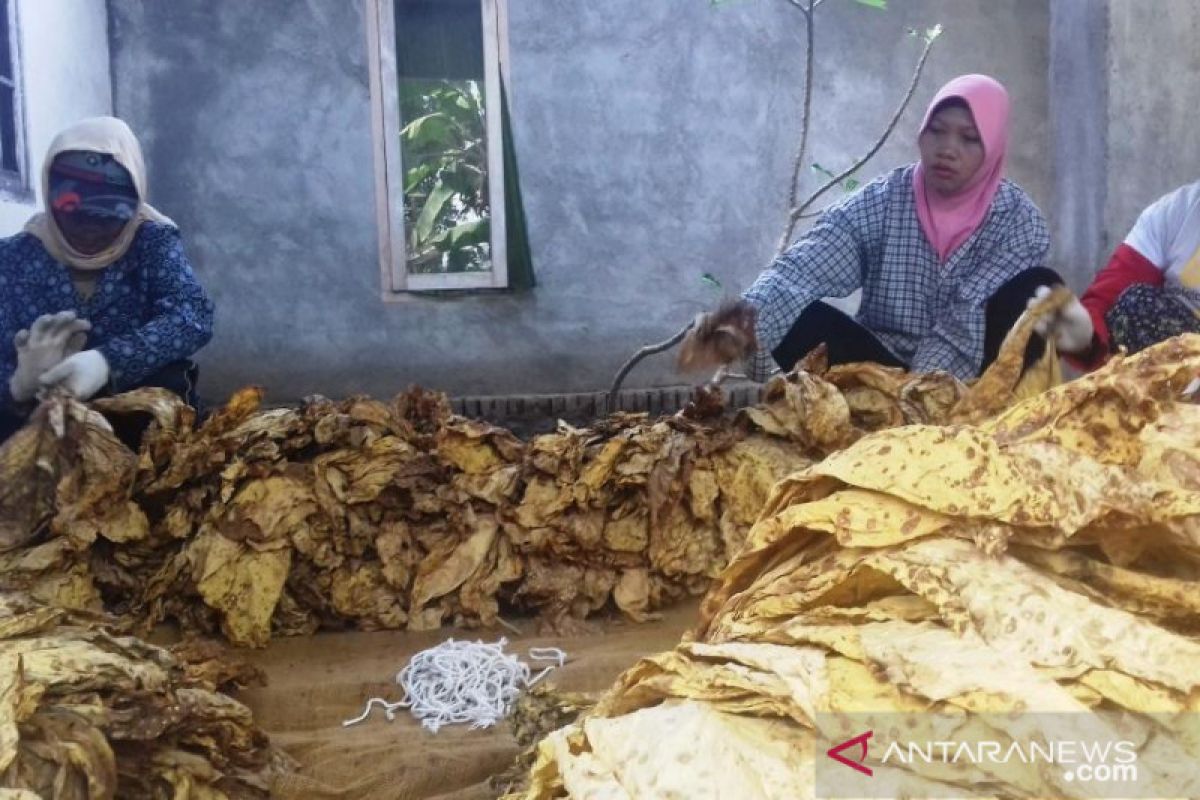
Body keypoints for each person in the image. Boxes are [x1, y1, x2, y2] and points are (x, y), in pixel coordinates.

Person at [680, 74, 1093, 382]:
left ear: (993, 148)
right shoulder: (882, 201)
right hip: (880, 368)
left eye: (969, 138)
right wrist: (743, 323)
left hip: (975, 377)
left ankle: (963, 427)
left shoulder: (1017, 220)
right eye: (937, 130)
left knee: (1037, 288)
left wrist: (922, 399)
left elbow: (965, 318)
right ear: (922, 132)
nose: (947, 148)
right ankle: (878, 417)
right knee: (792, 310)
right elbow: (804, 267)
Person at [0, 116, 214, 442]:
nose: (89, 232)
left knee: (169, 380)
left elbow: (192, 315)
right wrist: (17, 385)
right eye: (75, 218)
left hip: (136, 427)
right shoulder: (12, 259)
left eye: (105, 220)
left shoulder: (152, 242)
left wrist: (106, 363)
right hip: (40, 431)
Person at [1064, 178, 1200, 370]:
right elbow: (1108, 299)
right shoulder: (1173, 213)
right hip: (1171, 381)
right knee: (1137, 304)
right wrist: (1085, 337)